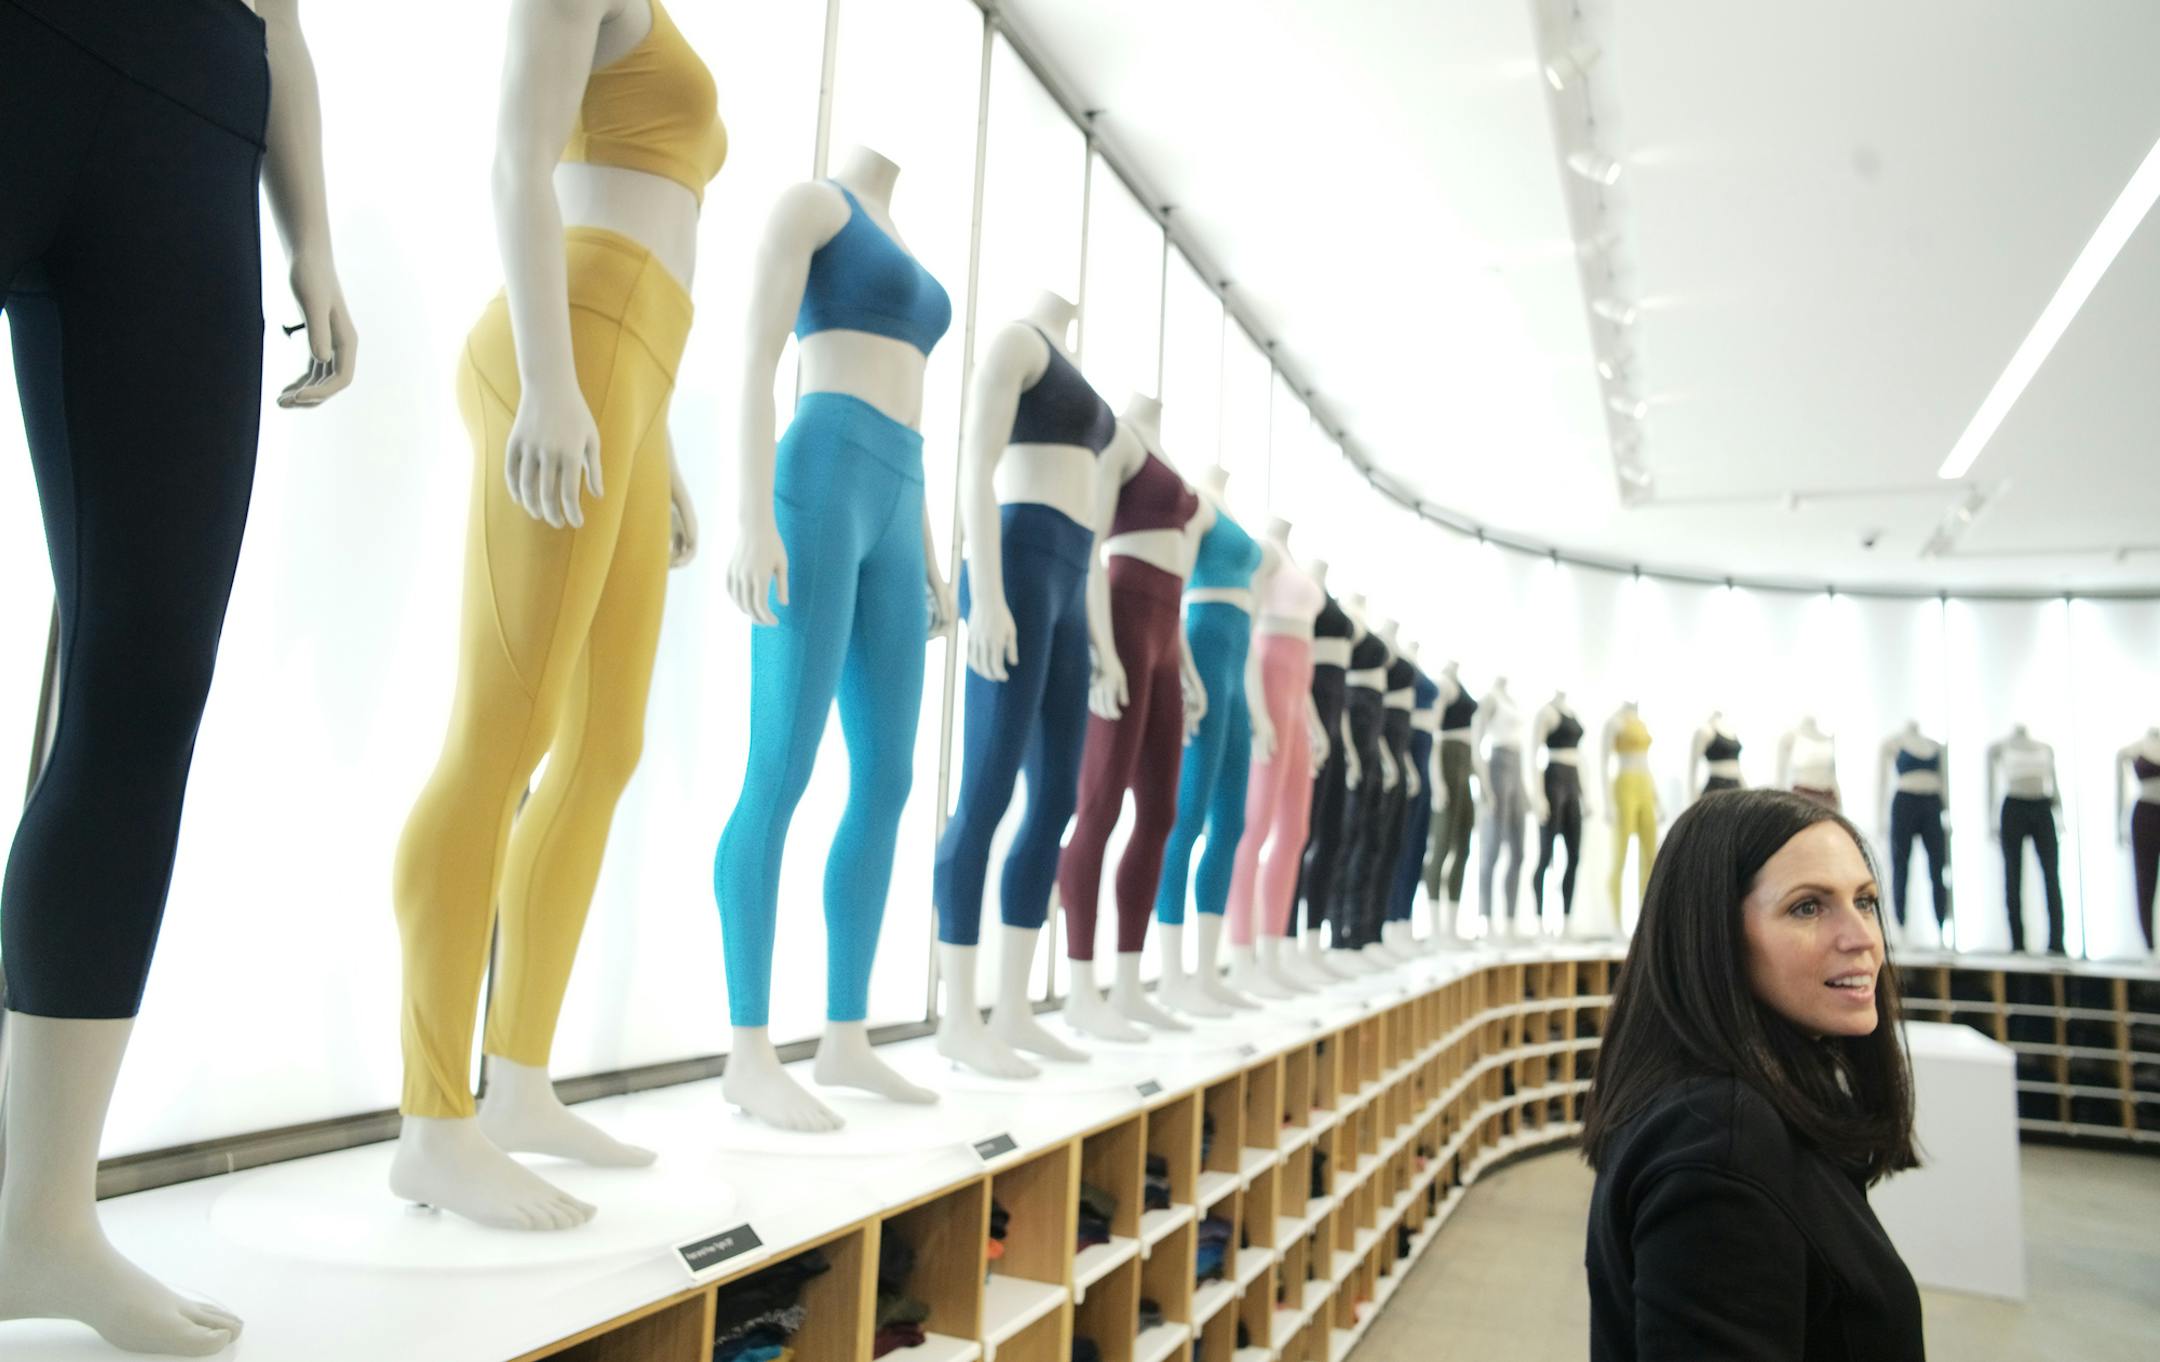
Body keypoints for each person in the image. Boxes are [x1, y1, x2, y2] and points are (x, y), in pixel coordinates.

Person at [1582, 789, 1924, 1361]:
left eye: (1864, 901)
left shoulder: (1744, 1106)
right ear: (1712, 934)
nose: (1863, 937)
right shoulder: (1721, 1143)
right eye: (1808, 907)